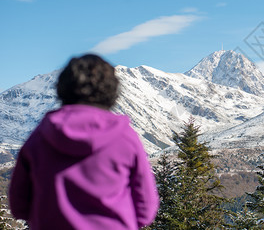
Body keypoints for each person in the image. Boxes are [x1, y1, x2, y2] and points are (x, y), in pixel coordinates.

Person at [9, 54, 159, 229]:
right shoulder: (125, 137)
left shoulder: (40, 136)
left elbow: (19, 206)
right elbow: (146, 209)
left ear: (62, 89)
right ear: (112, 91)